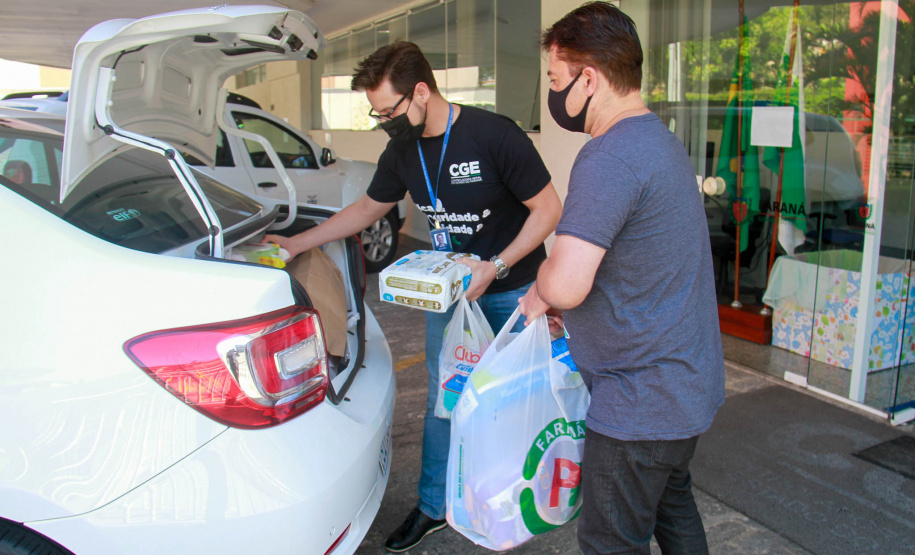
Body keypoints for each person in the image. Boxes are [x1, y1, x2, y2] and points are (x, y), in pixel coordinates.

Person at [266, 41, 561, 552]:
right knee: (445, 399)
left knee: (514, 399)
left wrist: (496, 266)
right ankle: (433, 506)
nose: (383, 121)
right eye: (376, 113)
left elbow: (548, 209)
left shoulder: (493, 135)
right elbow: (364, 209)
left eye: (389, 110)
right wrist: (298, 242)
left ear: (421, 91)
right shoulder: (401, 151)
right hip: (450, 295)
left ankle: (510, 500)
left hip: (513, 292)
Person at [518, 4, 725, 554]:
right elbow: (641, 262)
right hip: (682, 387)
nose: (553, 95)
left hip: (640, 402)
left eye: (556, 80)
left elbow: (564, 284)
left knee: (611, 540)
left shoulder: (609, 155)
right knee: (673, 510)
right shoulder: (659, 140)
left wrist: (541, 281)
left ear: (590, 79)